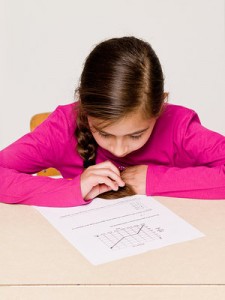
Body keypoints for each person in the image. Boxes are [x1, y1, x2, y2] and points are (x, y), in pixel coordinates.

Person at [0, 36, 225, 207]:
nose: (119, 150)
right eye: (104, 134)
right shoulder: (63, 128)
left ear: (158, 109)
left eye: (136, 135)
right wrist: (73, 187)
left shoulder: (179, 128)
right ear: (85, 110)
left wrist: (155, 180)